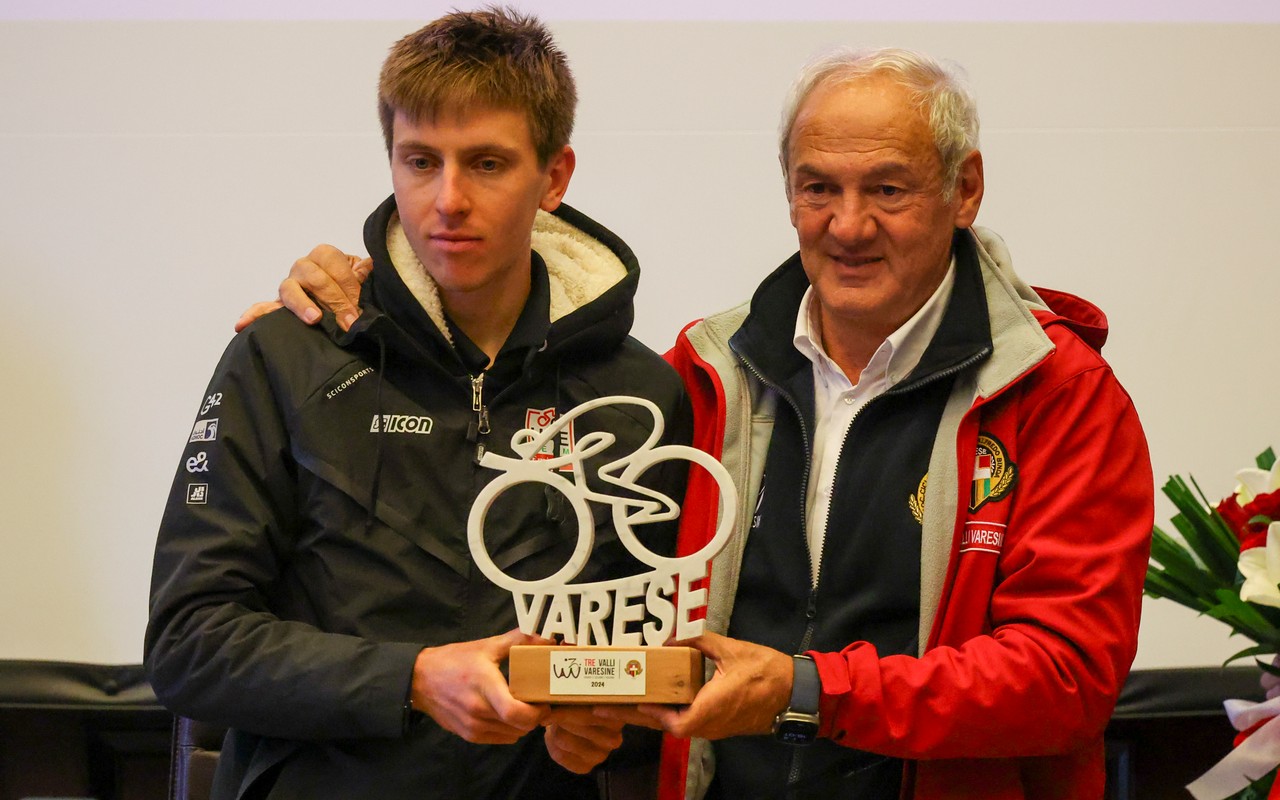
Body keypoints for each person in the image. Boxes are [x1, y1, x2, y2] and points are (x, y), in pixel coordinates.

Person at [251, 47, 1154, 800]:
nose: (848, 226)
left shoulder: (1058, 394)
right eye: (817, 188)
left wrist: (805, 693)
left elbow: (1066, 679)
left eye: (888, 189)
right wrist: (358, 312)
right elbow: (608, 601)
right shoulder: (705, 373)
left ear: (965, 189)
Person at [145, 8, 689, 799]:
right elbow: (189, 646)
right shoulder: (286, 355)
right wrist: (413, 680)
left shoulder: (639, 394)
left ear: (555, 177)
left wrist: (603, 729)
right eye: (421, 161)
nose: (448, 199)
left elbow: (651, 653)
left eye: (488, 163)